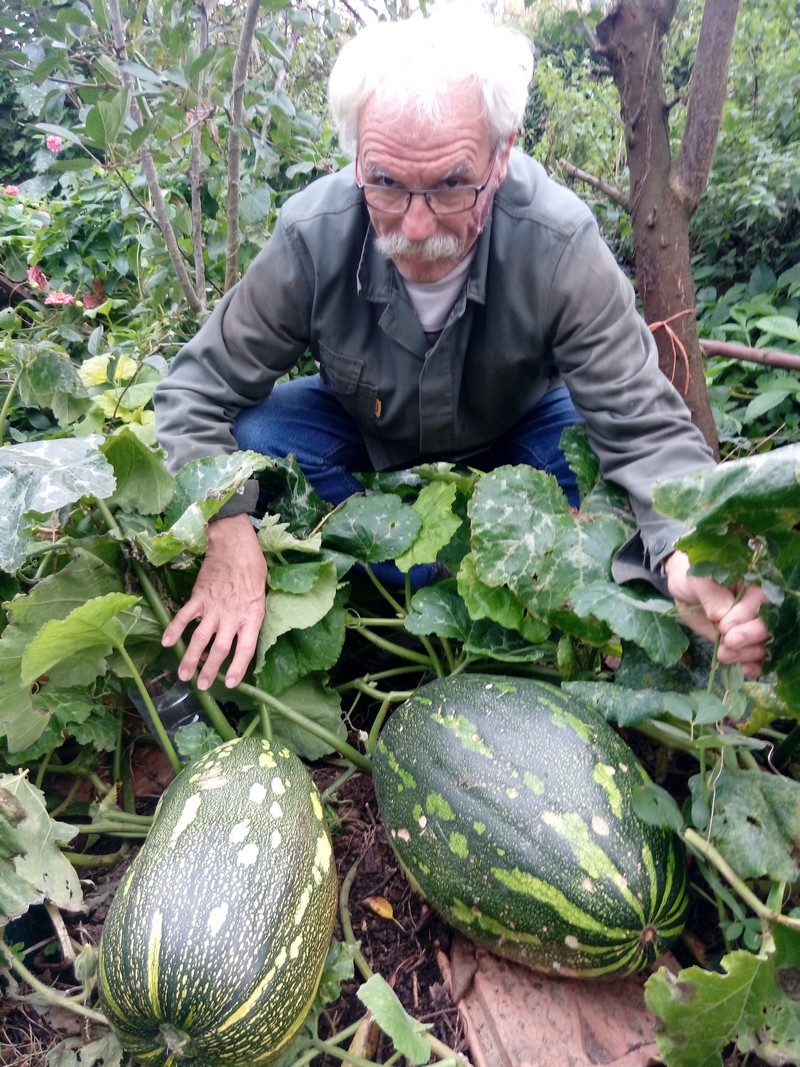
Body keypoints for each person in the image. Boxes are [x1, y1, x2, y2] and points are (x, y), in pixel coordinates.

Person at [154, 12, 768, 692]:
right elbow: (194, 391)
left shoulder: (560, 243)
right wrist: (227, 524)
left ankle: (406, 596)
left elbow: (644, 427)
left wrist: (687, 553)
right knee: (254, 437)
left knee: (603, 475)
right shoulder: (313, 233)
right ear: (357, 155)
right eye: (385, 182)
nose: (416, 225)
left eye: (451, 184)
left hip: (517, 441)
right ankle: (461, 597)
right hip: (369, 438)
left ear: (502, 155)